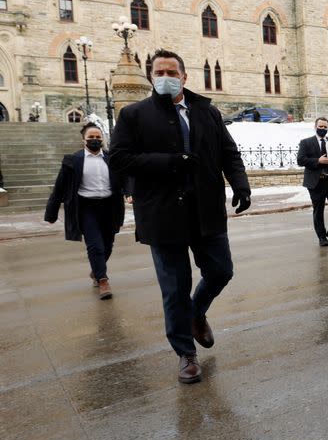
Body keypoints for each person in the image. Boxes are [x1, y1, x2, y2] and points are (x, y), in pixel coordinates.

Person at [109, 49, 251, 384]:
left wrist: (241, 185)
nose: (165, 77)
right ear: (150, 77)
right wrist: (170, 161)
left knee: (220, 271)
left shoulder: (206, 111)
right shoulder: (134, 115)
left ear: (184, 76)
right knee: (175, 287)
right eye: (159, 72)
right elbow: (119, 159)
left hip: (206, 210)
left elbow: (228, 152)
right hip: (162, 214)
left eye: (172, 71)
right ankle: (186, 354)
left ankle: (196, 312)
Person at [44, 123, 126, 300]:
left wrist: (129, 193)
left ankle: (96, 270)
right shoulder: (73, 161)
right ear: (84, 140)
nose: (95, 140)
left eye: (98, 137)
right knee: (95, 245)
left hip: (109, 206)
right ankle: (103, 280)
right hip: (86, 208)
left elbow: (123, 179)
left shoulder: (111, 158)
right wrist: (51, 213)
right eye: (91, 137)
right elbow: (59, 188)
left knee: (107, 245)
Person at [297, 117, 328, 246]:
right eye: (321, 126)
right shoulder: (306, 142)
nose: (323, 129)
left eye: (325, 127)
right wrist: (317, 161)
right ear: (315, 127)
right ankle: (322, 237)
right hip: (316, 182)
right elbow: (300, 160)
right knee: (318, 210)